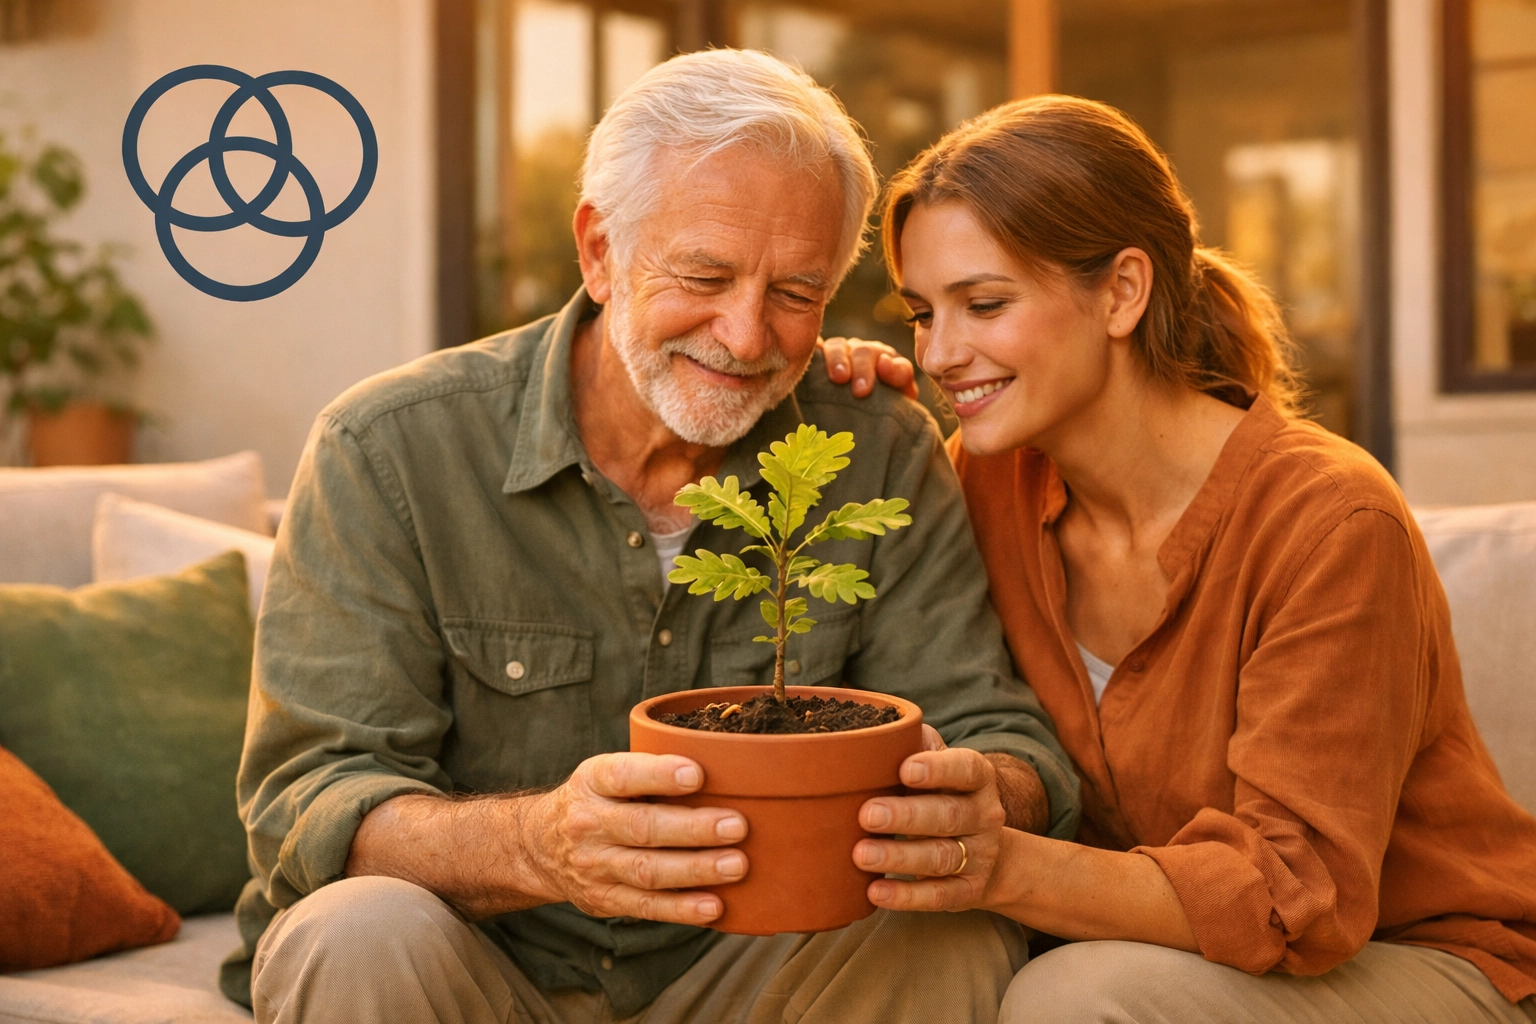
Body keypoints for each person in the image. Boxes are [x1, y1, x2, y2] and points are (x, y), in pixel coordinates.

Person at [222, 50, 1081, 1024]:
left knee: (953, 931)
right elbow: (310, 799)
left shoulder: (874, 447)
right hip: (482, 968)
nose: (748, 336)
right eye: (704, 275)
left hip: (761, 976)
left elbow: (1006, 745)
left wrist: (976, 796)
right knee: (356, 933)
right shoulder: (389, 452)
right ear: (598, 250)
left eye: (797, 294)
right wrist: (539, 844)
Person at [824, 95, 1536, 1023]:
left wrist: (996, 859)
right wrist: (837, 403)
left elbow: (1292, 898)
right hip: (1155, 950)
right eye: (921, 314)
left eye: (984, 304)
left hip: (1419, 960)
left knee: (1074, 1001)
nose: (941, 353)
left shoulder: (1331, 522)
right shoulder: (981, 485)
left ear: (1122, 290)